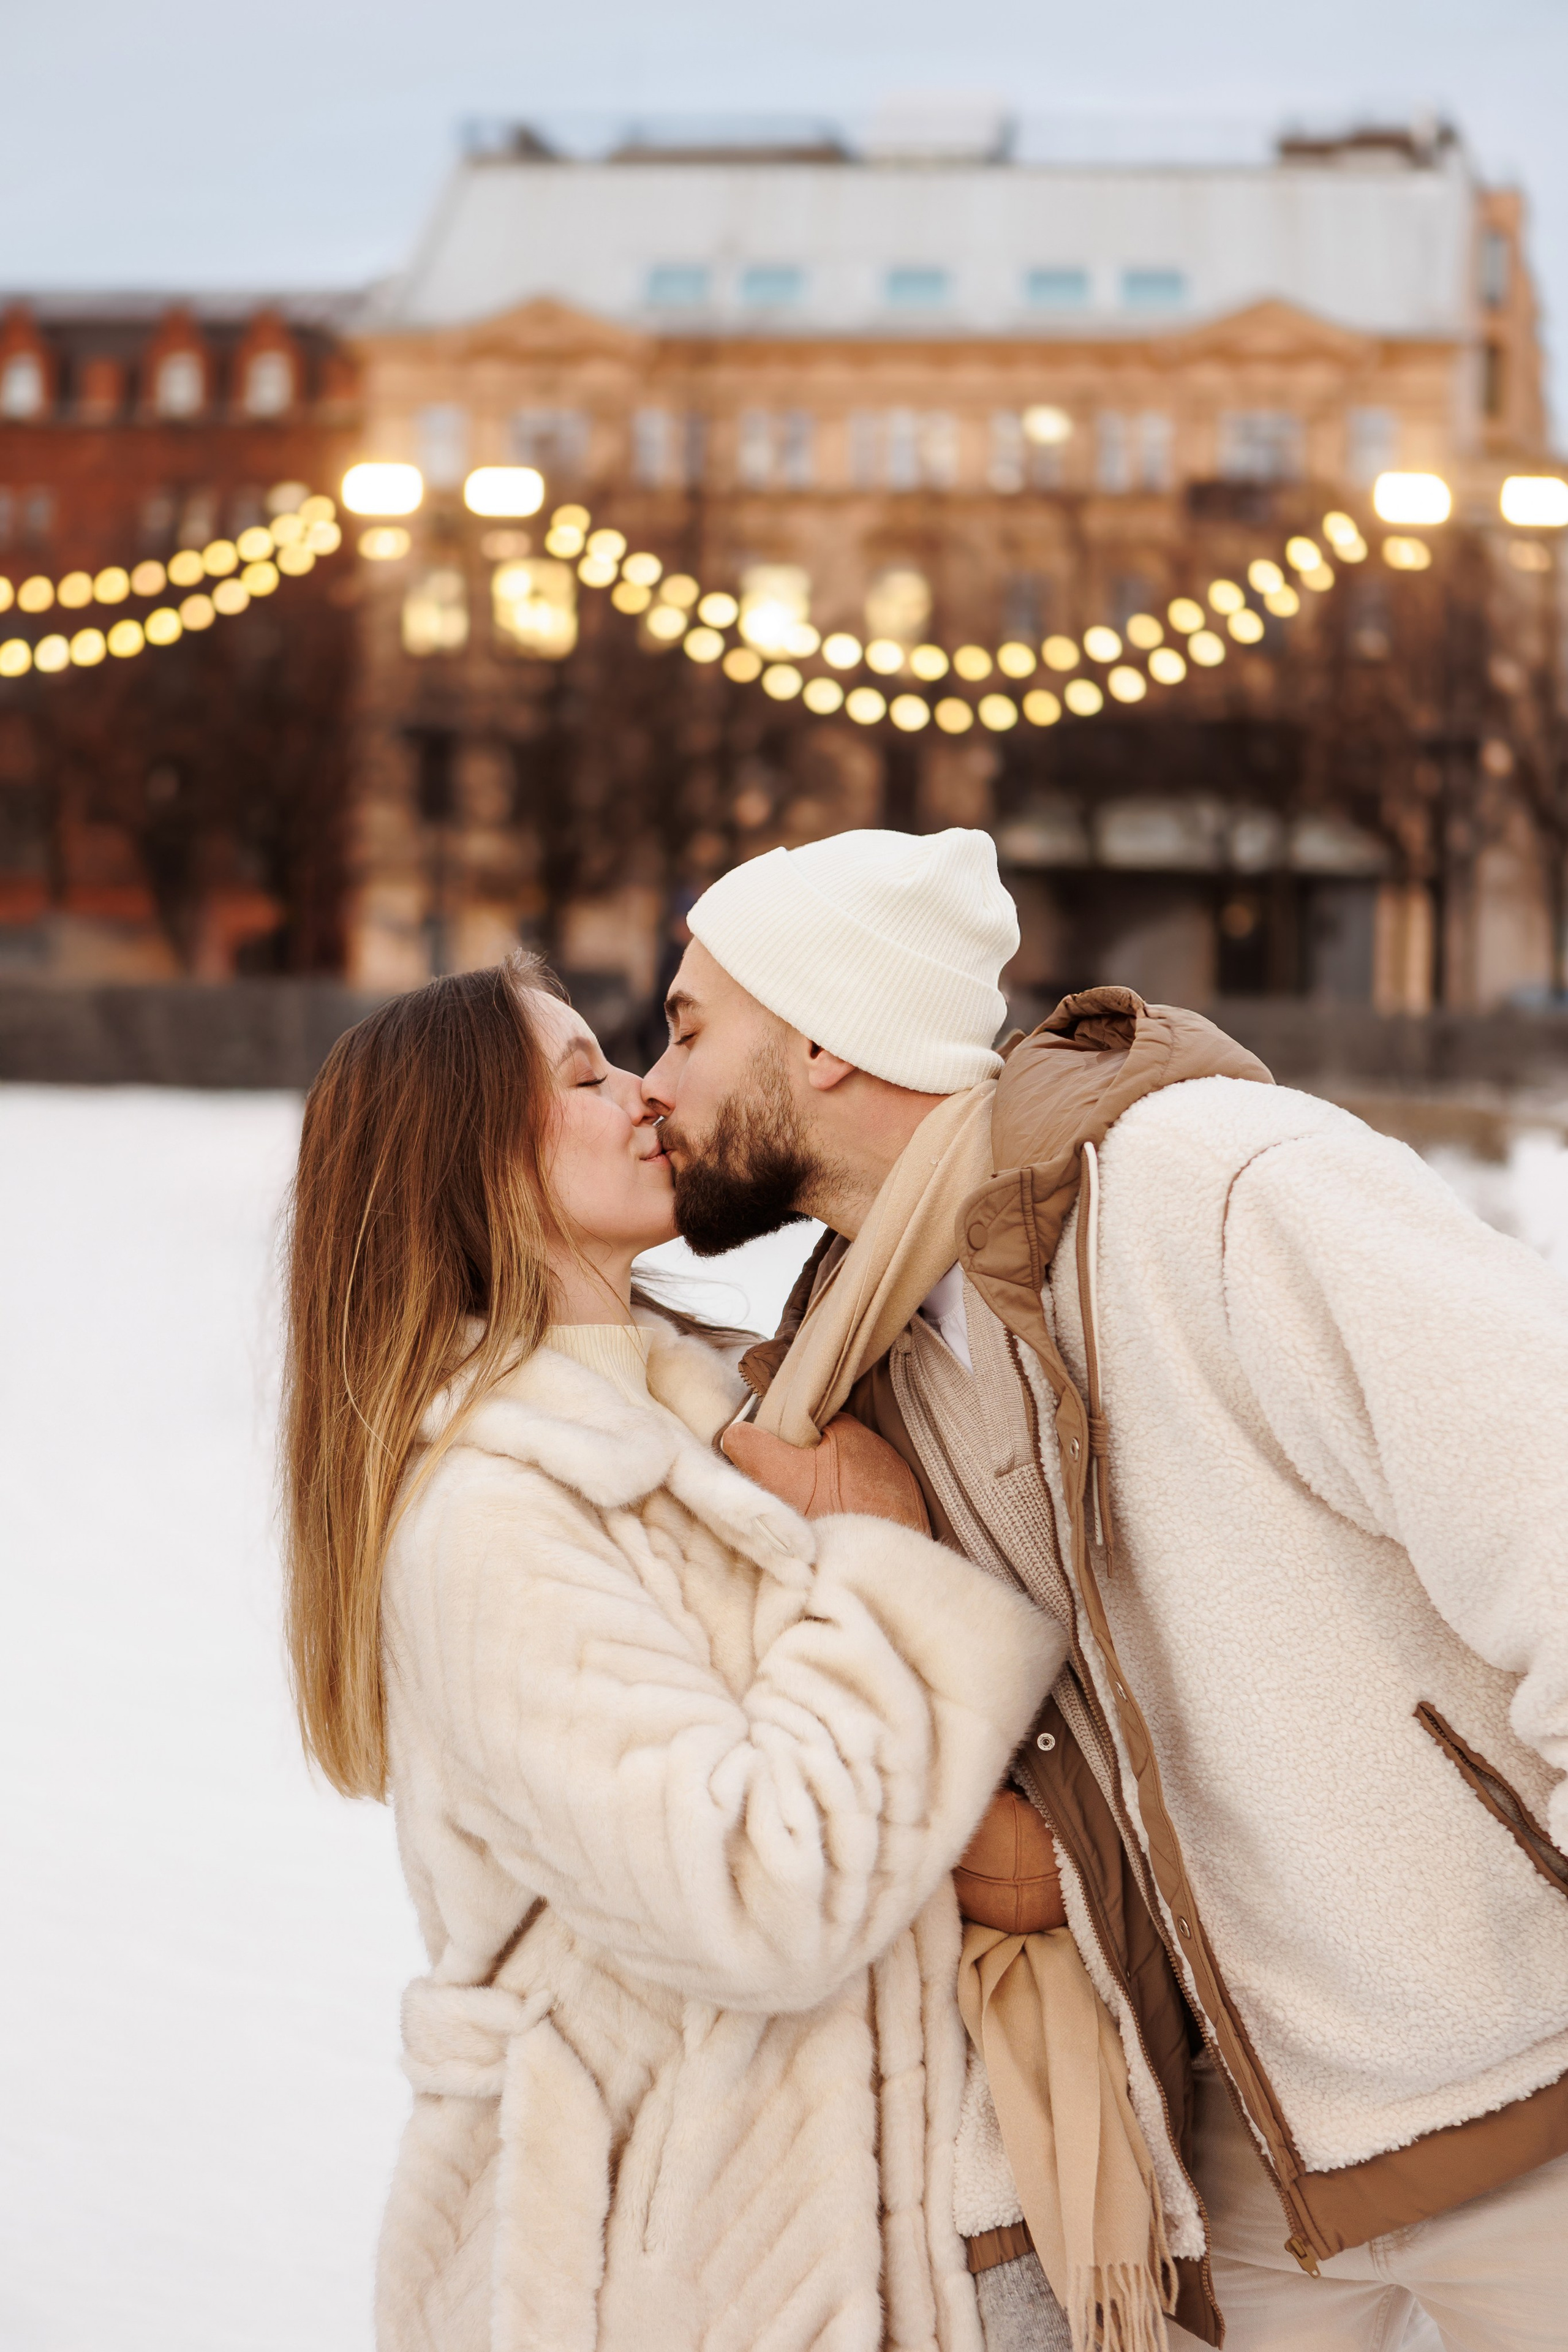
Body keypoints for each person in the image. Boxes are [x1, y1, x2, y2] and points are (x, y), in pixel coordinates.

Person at [641, 825, 1568, 2352]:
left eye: (686, 1027)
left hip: (1523, 2090)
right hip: (1227, 2144)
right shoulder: (869, 1346)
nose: (656, 1085)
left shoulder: (1211, 1189)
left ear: (821, 1040)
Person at [278, 956, 1065, 2352]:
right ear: (473, 1166)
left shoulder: (712, 1416)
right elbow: (749, 1895)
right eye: (584, 1077)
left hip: (845, 2220)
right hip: (653, 2267)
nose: (647, 1093)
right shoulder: (489, 1519)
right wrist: (877, 1564)